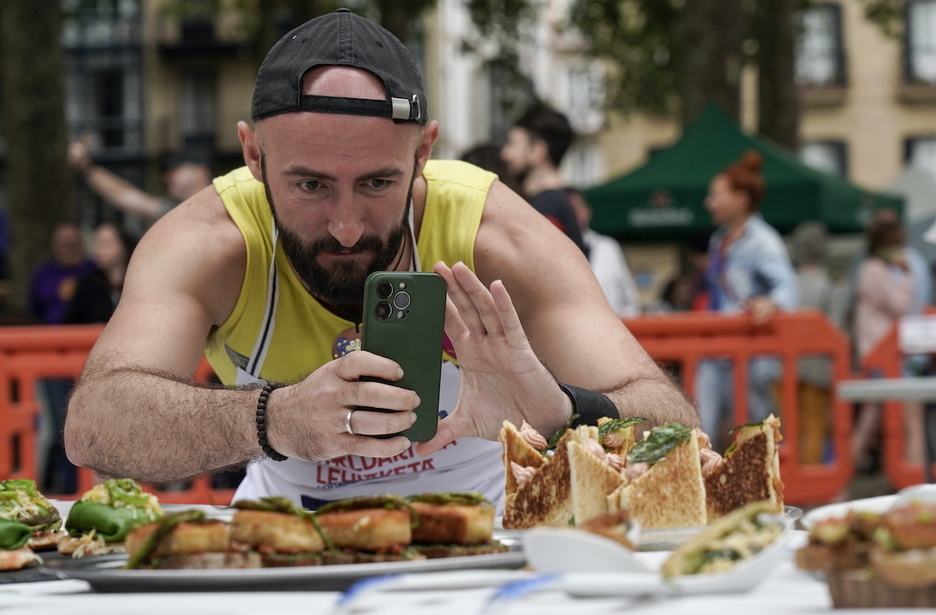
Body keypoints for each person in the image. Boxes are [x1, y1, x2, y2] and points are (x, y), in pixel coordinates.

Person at [64, 9, 697, 511]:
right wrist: (276, 418)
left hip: (491, 535)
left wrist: (561, 410)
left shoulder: (495, 236)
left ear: (424, 153)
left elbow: (677, 426)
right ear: (253, 156)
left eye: (376, 184)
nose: (344, 228)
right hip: (291, 534)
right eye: (309, 185)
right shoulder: (210, 241)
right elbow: (95, 424)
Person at [694, 151, 798, 451]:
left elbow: (787, 287)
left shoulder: (764, 241)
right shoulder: (719, 240)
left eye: (716, 195)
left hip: (748, 353)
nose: (709, 202)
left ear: (741, 199)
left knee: (753, 430)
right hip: (714, 348)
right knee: (701, 425)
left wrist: (771, 302)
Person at [28, 221, 96, 494]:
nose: (69, 247)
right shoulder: (44, 274)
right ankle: (62, 488)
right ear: (55, 246)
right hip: (52, 358)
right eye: (63, 242)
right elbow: (34, 307)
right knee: (57, 425)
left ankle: (88, 487)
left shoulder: (92, 272)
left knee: (88, 423)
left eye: (73, 241)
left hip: (89, 357)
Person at [850, 220, 920, 471]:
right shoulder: (876, 270)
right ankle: (917, 480)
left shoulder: (868, 269)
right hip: (881, 352)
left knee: (875, 419)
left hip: (877, 350)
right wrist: (908, 274)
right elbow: (900, 304)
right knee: (908, 415)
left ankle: (842, 484)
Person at [499, 104, 587, 253]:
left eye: (512, 144)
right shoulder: (559, 202)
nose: (505, 154)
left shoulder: (545, 207)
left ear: (537, 151)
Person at [68, 136, 213, 224]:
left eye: (176, 168)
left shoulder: (227, 204)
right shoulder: (174, 211)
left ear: (200, 171)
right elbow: (126, 196)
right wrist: (86, 167)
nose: (168, 176)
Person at [565, 187, 641, 316]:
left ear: (588, 211)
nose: (576, 213)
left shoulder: (608, 246)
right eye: (569, 208)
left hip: (613, 328)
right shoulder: (552, 249)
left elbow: (630, 298)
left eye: (579, 206)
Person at [62, 222, 134, 325]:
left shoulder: (138, 282)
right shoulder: (88, 285)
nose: (100, 249)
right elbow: (70, 323)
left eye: (107, 243)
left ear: (124, 246)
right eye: (97, 243)